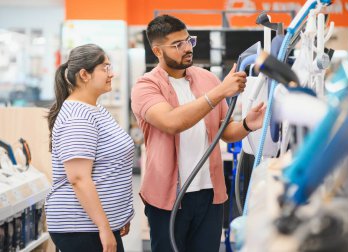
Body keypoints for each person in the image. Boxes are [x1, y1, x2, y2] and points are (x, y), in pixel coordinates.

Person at [131, 15, 266, 252]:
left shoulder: (206, 78)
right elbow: (171, 122)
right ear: (157, 51)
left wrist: (247, 124)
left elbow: (226, 132)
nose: (187, 48)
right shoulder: (146, 86)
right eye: (177, 45)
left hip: (209, 194)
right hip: (168, 198)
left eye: (188, 40)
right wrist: (220, 92)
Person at [45, 44, 134, 252]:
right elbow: (78, 178)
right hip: (82, 227)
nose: (112, 74)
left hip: (96, 225)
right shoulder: (78, 117)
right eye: (105, 68)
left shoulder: (94, 108)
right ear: (85, 74)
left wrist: (119, 216)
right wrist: (104, 226)